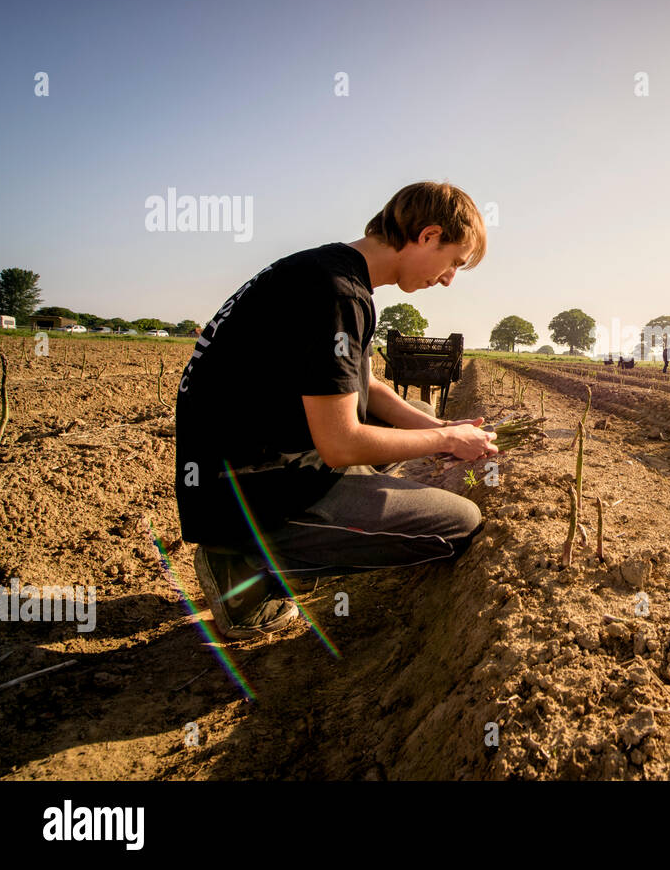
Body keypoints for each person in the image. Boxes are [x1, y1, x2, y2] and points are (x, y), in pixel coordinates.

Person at [175, 181, 498, 640]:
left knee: (416, 407)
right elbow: (340, 442)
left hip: (228, 474)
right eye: (454, 263)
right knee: (459, 524)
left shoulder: (328, 269)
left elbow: (362, 383)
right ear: (428, 236)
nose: (447, 279)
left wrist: (441, 425)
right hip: (251, 494)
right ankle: (244, 567)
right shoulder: (339, 295)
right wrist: (446, 442)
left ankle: (284, 532)